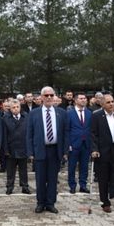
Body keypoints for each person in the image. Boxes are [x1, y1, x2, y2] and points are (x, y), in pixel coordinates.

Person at [27, 86, 69, 214]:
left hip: (55, 150)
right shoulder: (34, 113)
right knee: (40, 179)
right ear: (41, 98)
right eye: (46, 96)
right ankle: (40, 203)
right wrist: (30, 152)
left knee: (52, 178)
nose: (49, 97)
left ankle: (50, 203)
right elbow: (29, 134)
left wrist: (65, 151)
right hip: (40, 149)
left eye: (51, 95)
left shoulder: (61, 113)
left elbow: (65, 133)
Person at [2, 99, 30, 195]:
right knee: (10, 170)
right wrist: (5, 149)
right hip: (11, 148)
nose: (16, 109)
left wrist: (29, 149)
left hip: (23, 147)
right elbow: (4, 135)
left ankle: (25, 186)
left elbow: (29, 134)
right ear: (10, 108)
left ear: (20, 107)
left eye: (17, 107)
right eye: (13, 107)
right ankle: (10, 186)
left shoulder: (26, 116)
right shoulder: (5, 118)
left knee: (23, 169)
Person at [66, 93, 92, 194]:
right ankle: (72, 185)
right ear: (75, 100)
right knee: (72, 166)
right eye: (81, 98)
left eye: (85, 98)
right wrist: (68, 144)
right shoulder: (69, 113)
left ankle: (83, 185)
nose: (83, 100)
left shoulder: (89, 113)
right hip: (74, 144)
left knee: (84, 166)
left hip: (86, 144)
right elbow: (67, 130)